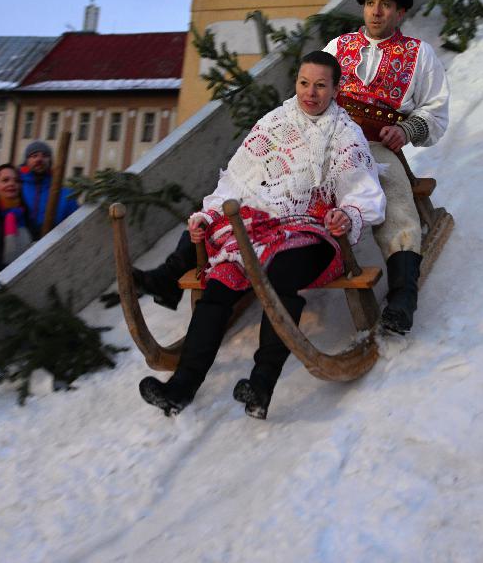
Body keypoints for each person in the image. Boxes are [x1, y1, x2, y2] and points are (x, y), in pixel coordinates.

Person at [138, 51, 385, 420]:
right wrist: (208, 214)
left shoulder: (345, 134)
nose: (310, 93)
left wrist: (346, 215)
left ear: (336, 89)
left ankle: (262, 383)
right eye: (304, 83)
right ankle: (181, 386)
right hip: (259, 227)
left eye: (320, 85)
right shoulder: (274, 123)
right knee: (218, 290)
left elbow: (362, 190)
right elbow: (237, 178)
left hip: (311, 231)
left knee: (280, 277)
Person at [322, 0, 449, 335]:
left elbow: (436, 110)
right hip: (326, 142)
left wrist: (407, 129)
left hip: (376, 145)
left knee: (395, 197)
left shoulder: (418, 54)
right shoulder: (337, 47)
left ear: (401, 12)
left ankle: (402, 297)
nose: (376, 11)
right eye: (371, 2)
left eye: (387, 4)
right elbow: (308, 92)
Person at [19, 140, 79, 234]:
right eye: (34, 156)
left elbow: (76, 226)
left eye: (45, 156)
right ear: (26, 161)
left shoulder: (66, 194)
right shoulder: (15, 188)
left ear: (50, 161)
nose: (39, 159)